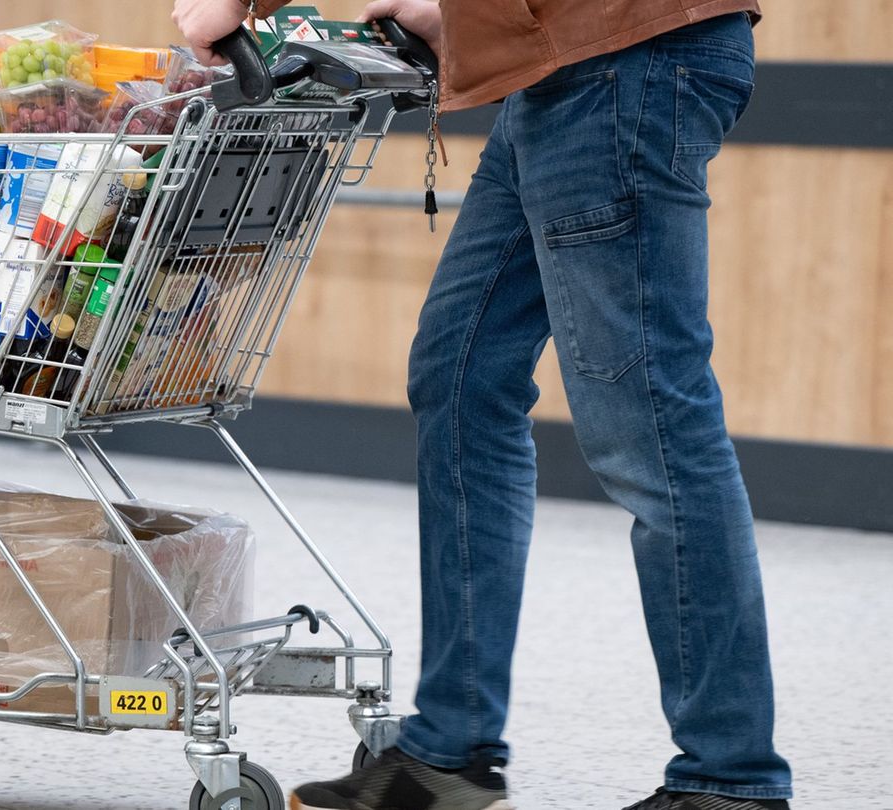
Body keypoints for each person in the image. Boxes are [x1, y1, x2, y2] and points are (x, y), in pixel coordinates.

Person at [173, 0, 793, 808]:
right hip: (567, 59)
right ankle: (447, 753)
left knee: (651, 425)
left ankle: (731, 777)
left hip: (621, 58)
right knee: (459, 374)